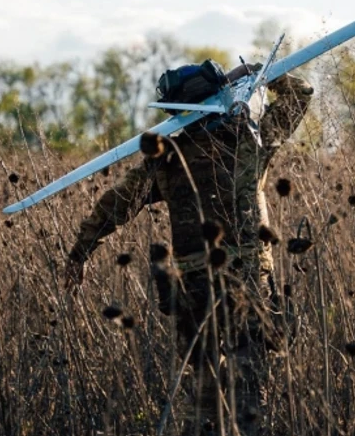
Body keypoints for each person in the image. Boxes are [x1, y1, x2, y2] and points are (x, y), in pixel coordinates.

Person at [65, 62, 314, 435]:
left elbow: (114, 206)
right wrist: (261, 72)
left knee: (204, 395)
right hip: (248, 281)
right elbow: (300, 96)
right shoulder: (249, 141)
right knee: (249, 394)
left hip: (195, 290)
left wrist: (79, 253)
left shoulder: (166, 160)